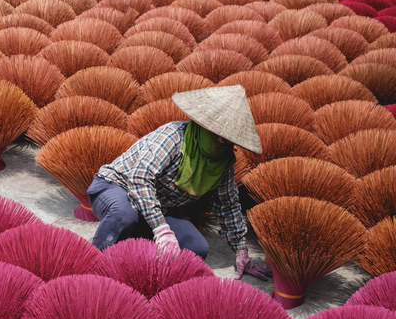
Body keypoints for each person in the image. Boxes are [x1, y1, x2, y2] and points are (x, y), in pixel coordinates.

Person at [87, 85, 271, 281]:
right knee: (124, 215)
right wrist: (161, 228)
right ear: (203, 124)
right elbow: (139, 179)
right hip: (116, 188)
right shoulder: (173, 137)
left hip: (158, 205)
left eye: (226, 140)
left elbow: (228, 205)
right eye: (215, 134)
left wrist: (241, 250)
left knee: (195, 249)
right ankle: (92, 267)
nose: (219, 141)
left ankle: (139, 269)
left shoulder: (222, 163)